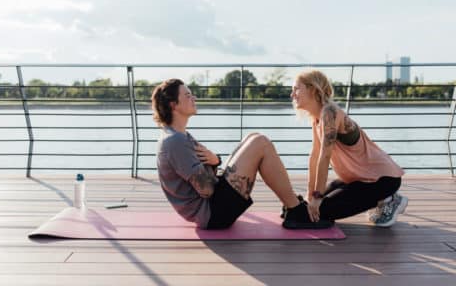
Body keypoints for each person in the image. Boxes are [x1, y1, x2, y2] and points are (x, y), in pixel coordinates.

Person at [151, 78, 333, 230]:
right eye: (188, 95)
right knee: (260, 142)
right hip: (212, 214)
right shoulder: (175, 142)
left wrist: (215, 162)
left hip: (212, 206)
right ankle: (295, 211)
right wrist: (214, 164)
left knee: (252, 137)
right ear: (173, 104)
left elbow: (204, 181)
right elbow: (206, 190)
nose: (194, 98)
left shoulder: (178, 135)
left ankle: (291, 205)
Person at [290, 70, 408, 227]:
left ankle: (390, 199)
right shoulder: (317, 119)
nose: (292, 94)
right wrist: (310, 195)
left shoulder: (329, 113)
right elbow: (315, 157)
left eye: (296, 88)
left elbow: (324, 157)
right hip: (358, 179)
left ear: (313, 89)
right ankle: (381, 199)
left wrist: (317, 200)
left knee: (322, 210)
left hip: (382, 179)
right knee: (308, 207)